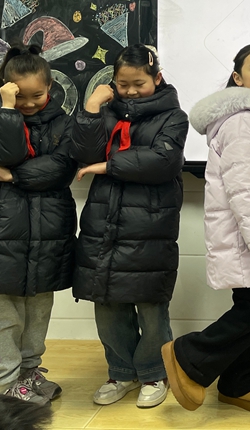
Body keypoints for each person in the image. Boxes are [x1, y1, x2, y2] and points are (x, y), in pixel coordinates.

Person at [162, 44, 250, 413]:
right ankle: (189, 356)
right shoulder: (241, 120)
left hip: (248, 230)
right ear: (237, 77)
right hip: (246, 233)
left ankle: (241, 380)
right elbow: (246, 185)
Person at [71, 44, 188, 409]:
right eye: (123, 85)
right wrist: (91, 107)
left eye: (139, 84)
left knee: (150, 304)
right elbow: (83, 154)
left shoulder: (174, 117)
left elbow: (163, 160)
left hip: (150, 223)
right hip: (103, 219)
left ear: (157, 78)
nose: (131, 91)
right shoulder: (106, 112)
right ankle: (120, 371)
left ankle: (154, 373)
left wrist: (110, 165)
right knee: (106, 300)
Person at [0, 44, 77, 405]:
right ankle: (3, 383)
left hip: (47, 234)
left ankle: (28, 372)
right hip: (0, 234)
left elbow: (62, 168)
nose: (28, 103)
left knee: (37, 313)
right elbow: (5, 153)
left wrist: (14, 176)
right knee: (3, 315)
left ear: (50, 88)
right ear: (6, 90)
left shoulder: (63, 123)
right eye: (19, 96)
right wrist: (7, 110)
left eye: (36, 95)